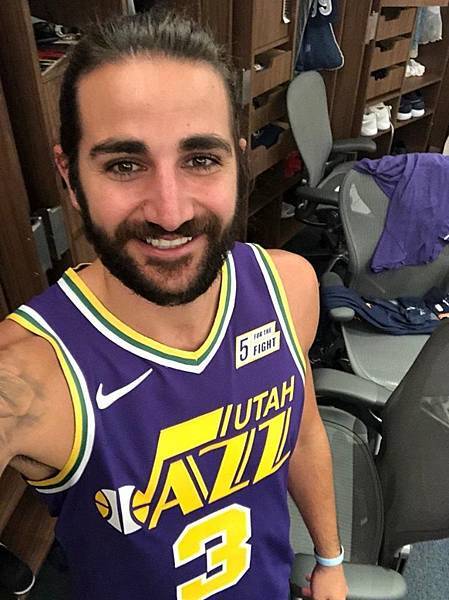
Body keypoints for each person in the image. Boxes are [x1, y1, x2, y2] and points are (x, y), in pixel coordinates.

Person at [0, 10, 348, 600]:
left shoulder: (288, 287)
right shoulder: (26, 374)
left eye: (201, 159)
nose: (170, 211)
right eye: (124, 165)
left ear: (237, 161)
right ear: (70, 175)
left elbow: (304, 428)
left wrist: (331, 559)